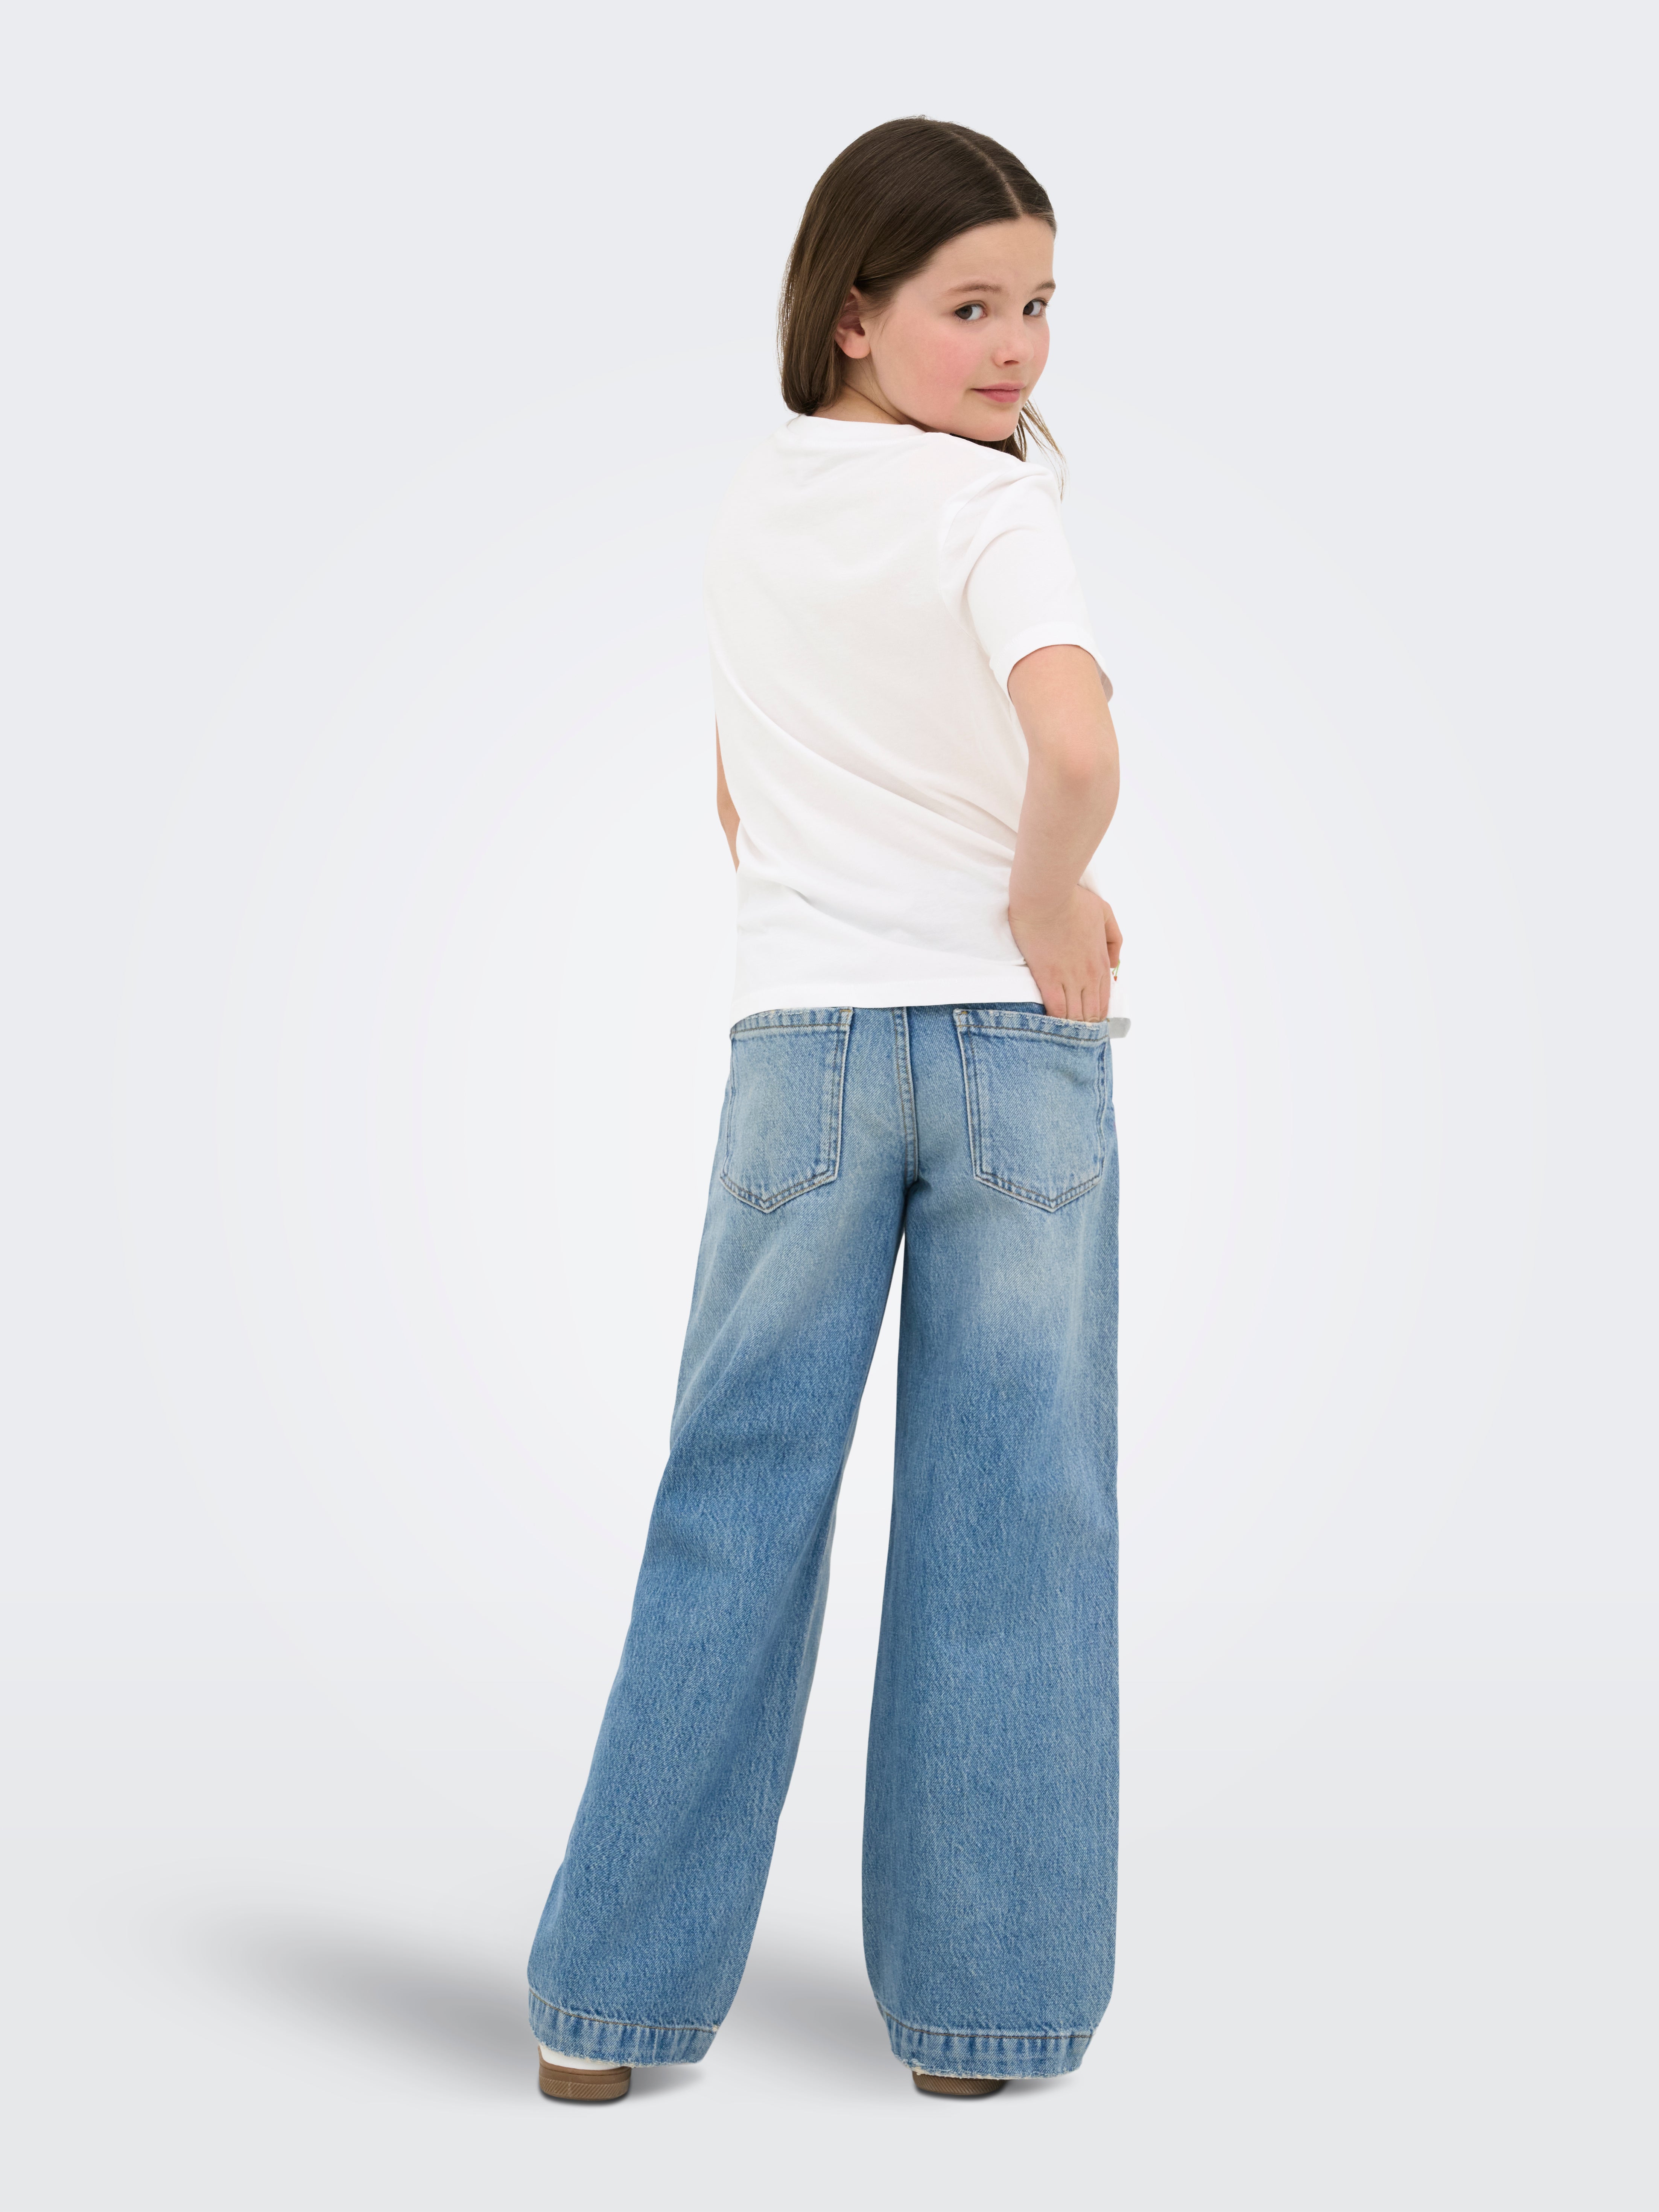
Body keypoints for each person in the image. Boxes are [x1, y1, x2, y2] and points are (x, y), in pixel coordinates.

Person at [527, 115, 1123, 2104]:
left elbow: (737, 798)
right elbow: (1074, 746)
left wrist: (842, 907)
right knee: (1014, 1519)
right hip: (1014, 1048)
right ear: (854, 313)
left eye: (1039, 304)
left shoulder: (755, 506)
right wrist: (1041, 899)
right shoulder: (992, 510)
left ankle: (604, 2014)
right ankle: (980, 2020)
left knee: (733, 1501)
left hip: (797, 1049)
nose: (1016, 347)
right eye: (972, 306)